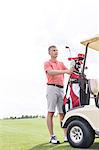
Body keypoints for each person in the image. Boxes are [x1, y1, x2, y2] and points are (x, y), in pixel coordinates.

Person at [44, 45, 72, 144]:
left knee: (62, 113)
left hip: (61, 89)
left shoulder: (61, 63)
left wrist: (74, 67)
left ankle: (66, 135)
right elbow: (51, 72)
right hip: (52, 88)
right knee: (51, 112)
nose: (56, 52)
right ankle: (52, 136)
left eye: (57, 50)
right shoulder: (47, 63)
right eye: (53, 50)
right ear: (49, 52)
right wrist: (65, 71)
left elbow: (70, 72)